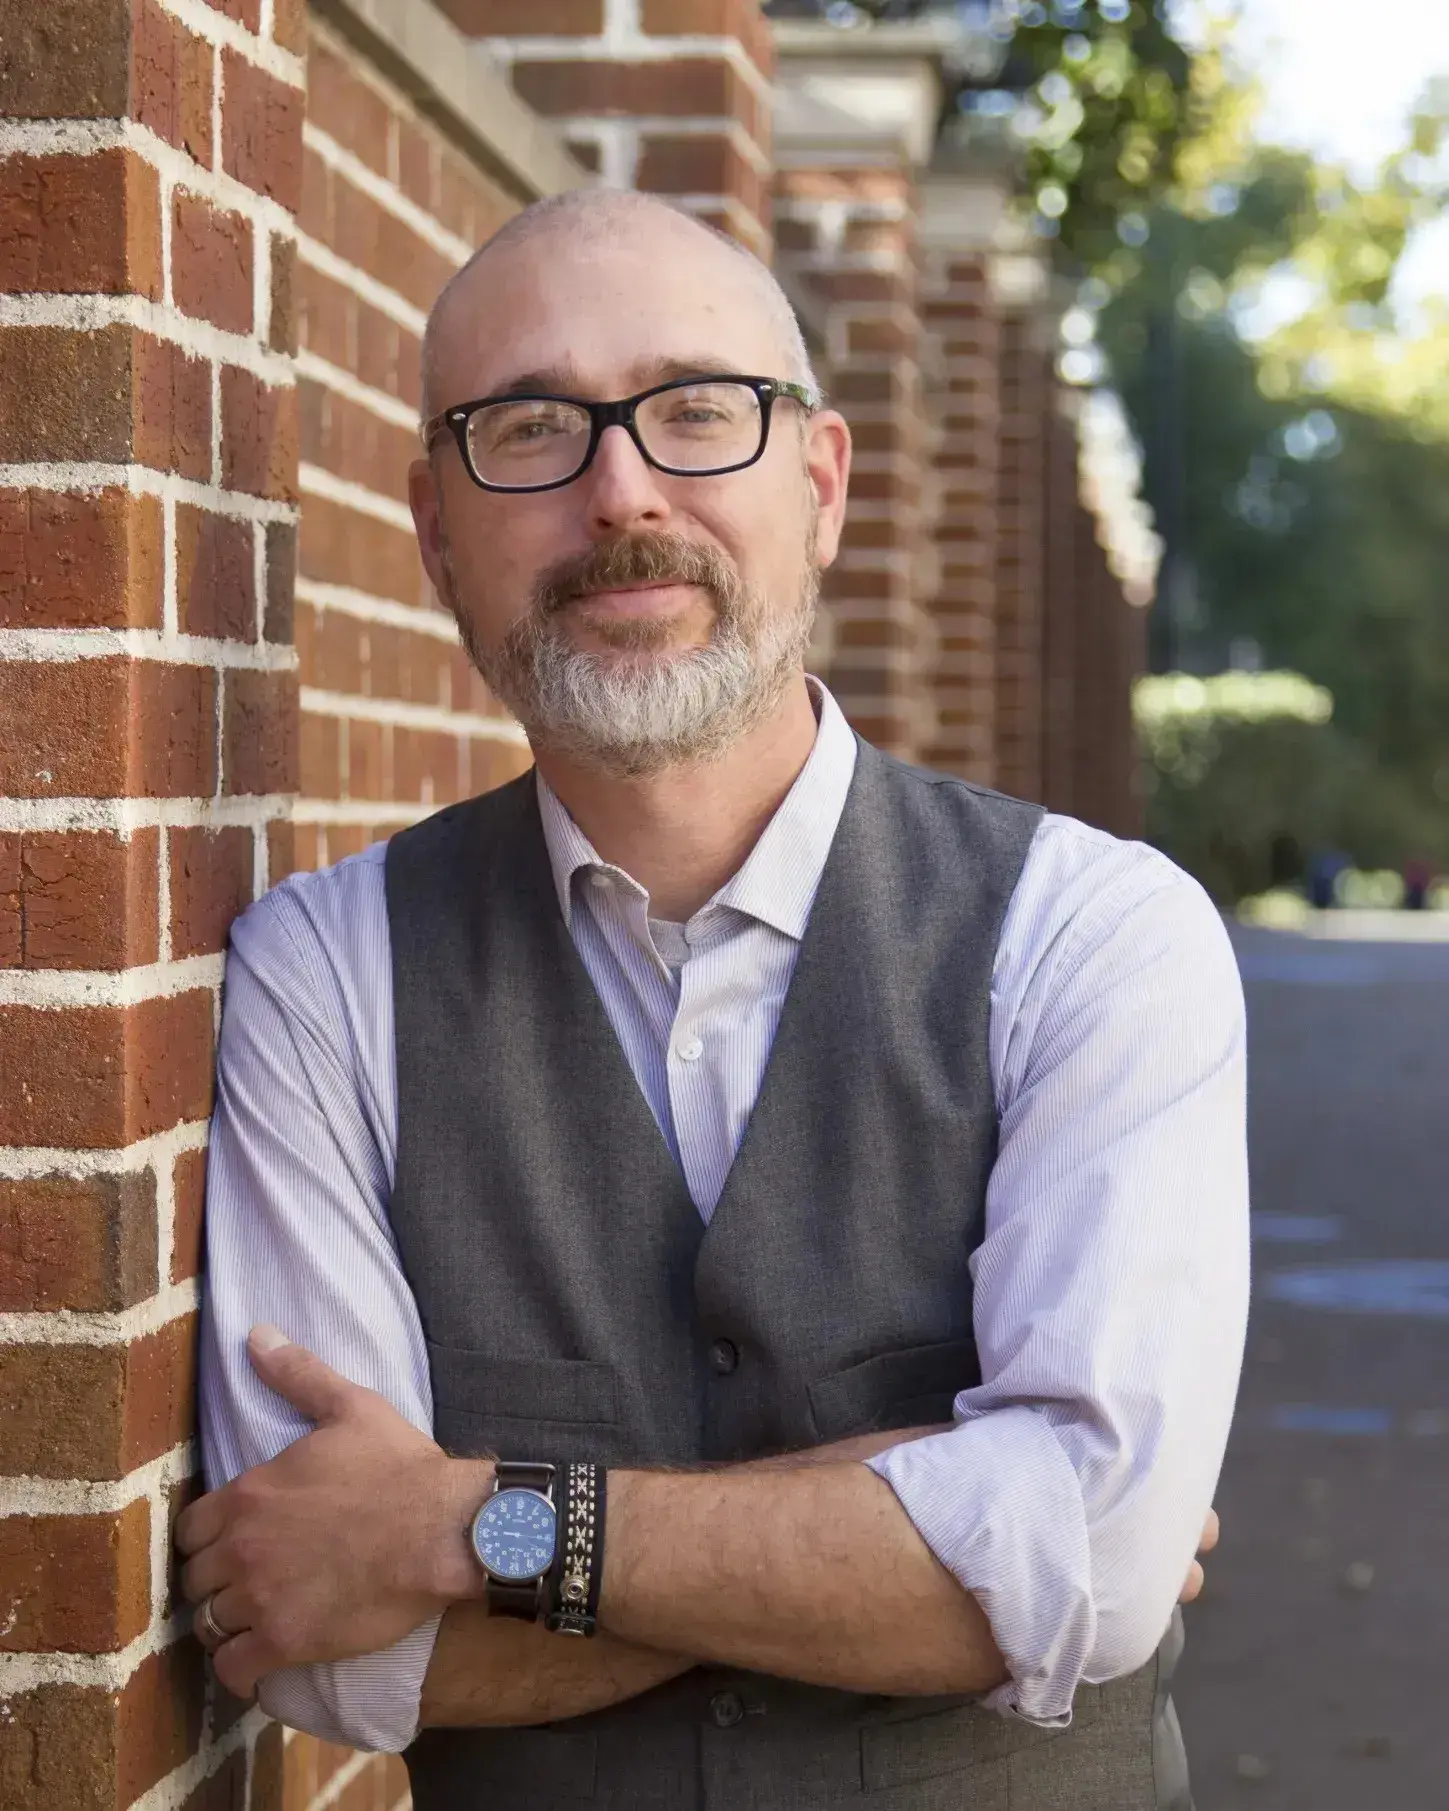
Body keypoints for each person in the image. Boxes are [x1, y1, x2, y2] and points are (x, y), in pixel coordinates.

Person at [177, 190, 1248, 1811]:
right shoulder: (327, 977)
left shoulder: (1097, 934)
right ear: (434, 534)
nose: (621, 491)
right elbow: (335, 1643)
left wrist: (460, 1522)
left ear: (818, 484)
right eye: (530, 427)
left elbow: (1091, 1551)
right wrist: (943, 1544)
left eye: (697, 410)